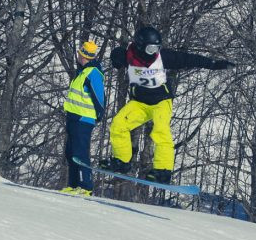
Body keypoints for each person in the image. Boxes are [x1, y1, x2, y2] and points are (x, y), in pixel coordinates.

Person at [100, 26, 235, 184]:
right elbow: (117, 56)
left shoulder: (162, 57)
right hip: (140, 103)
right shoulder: (128, 56)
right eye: (151, 48)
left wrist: (214, 64)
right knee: (118, 124)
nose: (154, 52)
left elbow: (189, 59)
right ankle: (121, 162)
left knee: (160, 131)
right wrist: (115, 57)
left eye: (157, 48)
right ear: (140, 46)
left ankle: (162, 171)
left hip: (161, 102)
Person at [62, 41, 105, 196]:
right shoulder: (81, 72)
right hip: (73, 117)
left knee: (80, 153)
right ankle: (73, 185)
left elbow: (99, 97)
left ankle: (85, 187)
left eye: (80, 53)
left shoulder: (92, 72)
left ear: (84, 55)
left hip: (83, 119)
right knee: (70, 152)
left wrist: (99, 114)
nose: (78, 56)